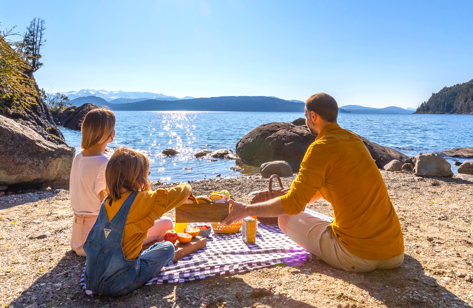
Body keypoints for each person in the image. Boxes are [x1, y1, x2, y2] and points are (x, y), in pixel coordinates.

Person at [222, 93, 404, 272]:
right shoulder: (354, 141)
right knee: (308, 211)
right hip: (394, 253)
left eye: (305, 116)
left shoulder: (320, 147)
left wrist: (245, 210)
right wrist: (298, 194)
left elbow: (291, 205)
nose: (305, 120)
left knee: (285, 217)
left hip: (356, 256)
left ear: (313, 116)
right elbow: (334, 184)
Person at [83, 147, 192, 296]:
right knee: (167, 248)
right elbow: (178, 193)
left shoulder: (107, 202)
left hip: (91, 280)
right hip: (118, 284)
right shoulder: (142, 200)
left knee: (142, 249)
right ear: (140, 178)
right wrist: (188, 188)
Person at [69, 108, 116, 256]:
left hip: (77, 239)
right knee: (164, 224)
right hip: (98, 240)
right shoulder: (104, 163)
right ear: (110, 134)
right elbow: (109, 205)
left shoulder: (78, 158)